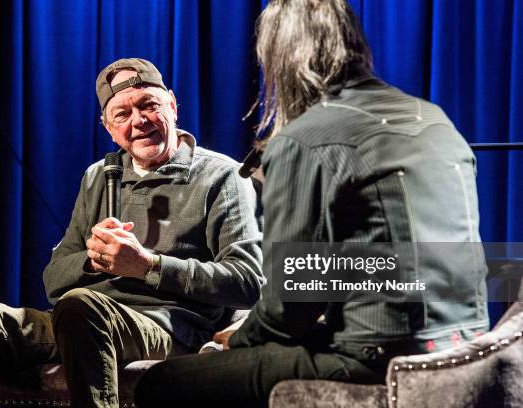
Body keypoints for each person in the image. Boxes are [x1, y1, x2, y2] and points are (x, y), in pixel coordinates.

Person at [134, 1, 489, 407]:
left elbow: (289, 312)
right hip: (462, 345)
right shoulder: (434, 118)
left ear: (284, 56)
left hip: (379, 358)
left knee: (162, 384)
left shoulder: (305, 139)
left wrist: (239, 340)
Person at [0, 58, 264, 408]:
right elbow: (53, 280)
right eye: (122, 115)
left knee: (80, 306)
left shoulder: (224, 177)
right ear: (108, 128)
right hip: (76, 320)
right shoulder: (99, 176)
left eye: (149, 105)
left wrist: (148, 265)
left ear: (173, 106)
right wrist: (95, 262)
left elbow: (248, 283)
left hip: (164, 328)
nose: (139, 120)